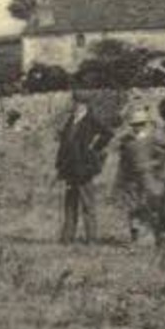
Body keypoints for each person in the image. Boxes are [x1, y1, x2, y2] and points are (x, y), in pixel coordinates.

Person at [55, 95, 113, 244]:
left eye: (75, 102)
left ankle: (91, 239)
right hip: (69, 169)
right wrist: (60, 165)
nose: (72, 105)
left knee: (87, 205)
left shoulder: (91, 120)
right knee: (70, 205)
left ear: (83, 104)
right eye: (73, 102)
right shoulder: (71, 120)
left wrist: (94, 148)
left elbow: (108, 133)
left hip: (84, 168)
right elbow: (64, 144)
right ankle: (67, 239)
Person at [113, 108, 165, 242]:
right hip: (131, 181)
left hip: (148, 179)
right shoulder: (127, 141)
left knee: (150, 207)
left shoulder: (153, 139)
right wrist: (119, 181)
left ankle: (156, 237)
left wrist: (153, 165)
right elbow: (123, 162)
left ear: (145, 124)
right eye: (134, 125)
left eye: (140, 124)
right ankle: (136, 239)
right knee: (133, 209)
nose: (137, 127)